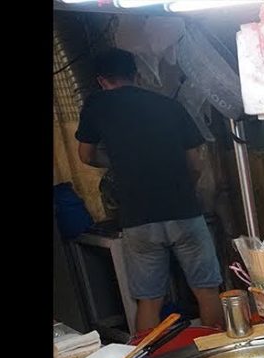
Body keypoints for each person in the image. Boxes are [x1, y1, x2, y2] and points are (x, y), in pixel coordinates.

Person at [76, 47, 223, 333]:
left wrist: (117, 163)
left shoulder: (97, 105)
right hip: (184, 212)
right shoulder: (168, 105)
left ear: (102, 80)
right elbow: (195, 160)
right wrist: (184, 186)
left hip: (138, 219)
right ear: (137, 75)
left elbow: (86, 155)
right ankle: (217, 357)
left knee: (148, 301)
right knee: (206, 291)